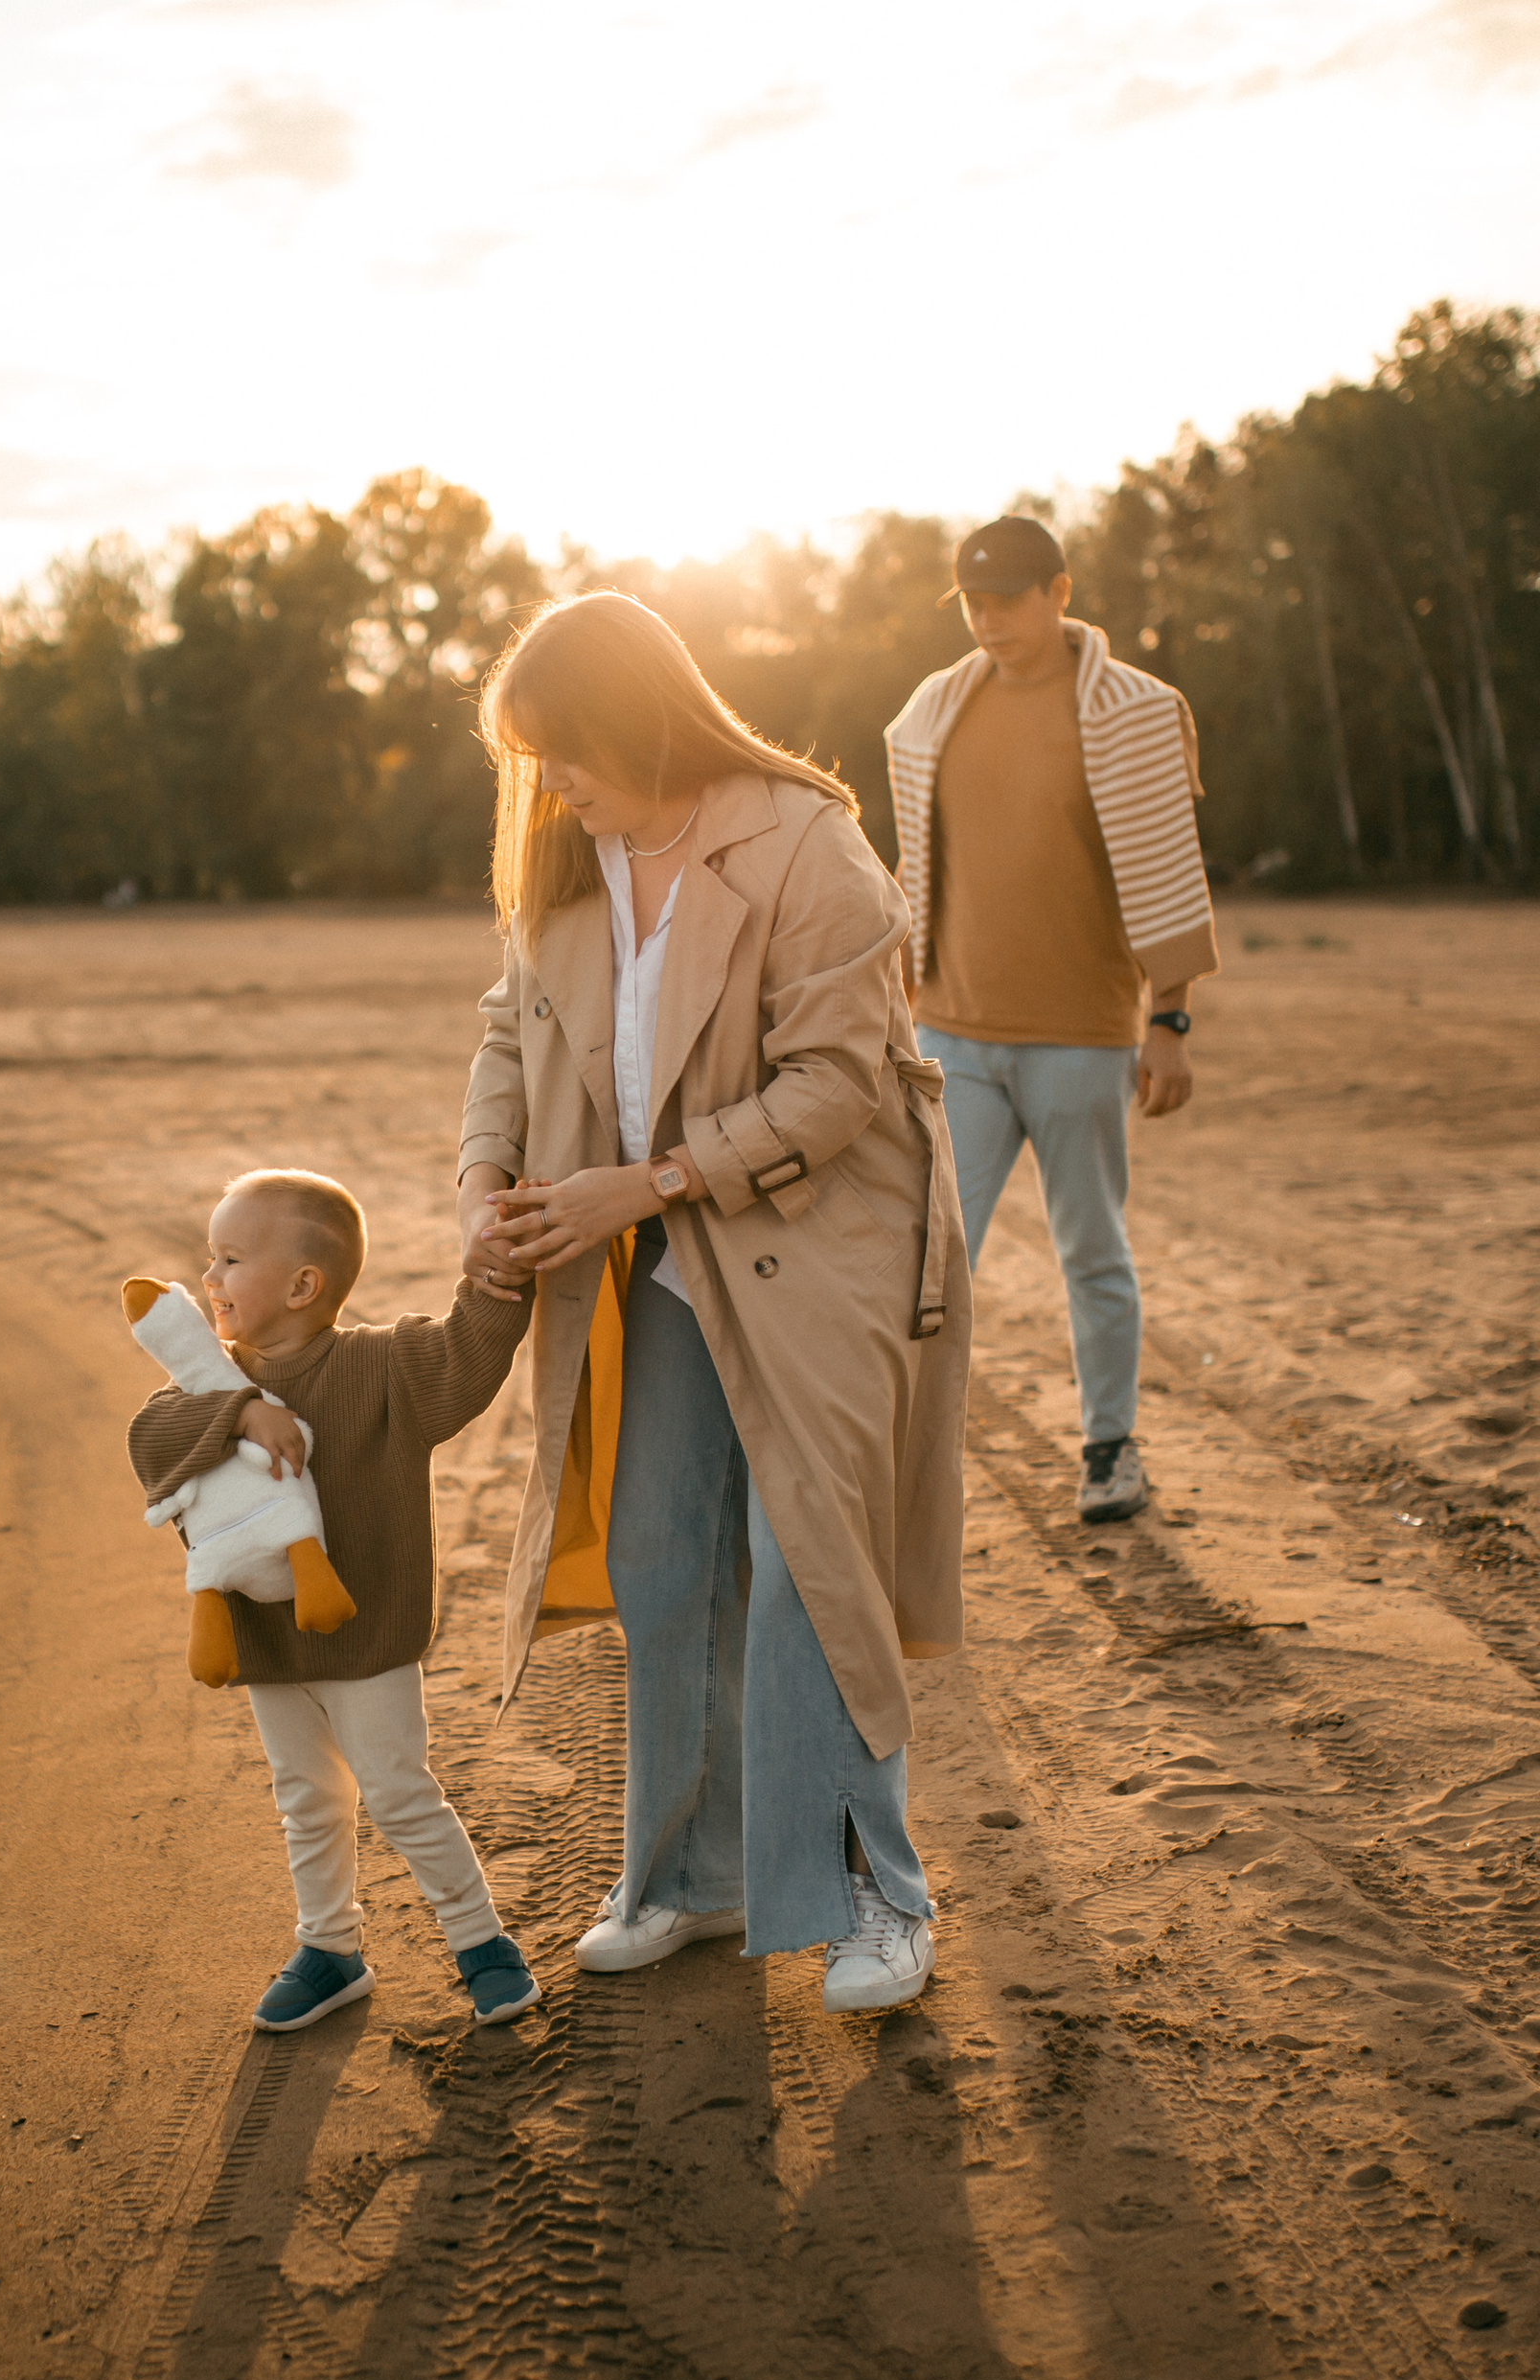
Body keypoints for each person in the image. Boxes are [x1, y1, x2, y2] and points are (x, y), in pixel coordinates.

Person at [459, 592, 970, 2016]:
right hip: (654, 1255)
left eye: (563, 748)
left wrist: (654, 1182)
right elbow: (513, 1027)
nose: (548, 781)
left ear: (636, 717)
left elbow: (840, 1082)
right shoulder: (567, 852)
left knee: (806, 1557)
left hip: (819, 1234)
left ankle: (881, 1896)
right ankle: (692, 1874)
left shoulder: (808, 844)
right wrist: (482, 1175)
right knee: (659, 1555)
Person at [126, 1168, 542, 2032]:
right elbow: (151, 1437)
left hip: (365, 1638)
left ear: (302, 1285)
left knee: (396, 1791)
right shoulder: (211, 1383)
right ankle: (330, 1948)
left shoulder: (384, 1367)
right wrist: (241, 1413)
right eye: (211, 1261)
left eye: (229, 1260)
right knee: (306, 1798)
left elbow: (471, 1348)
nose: (209, 1280)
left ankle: (480, 1942)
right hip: (269, 1644)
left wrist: (501, 1267)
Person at [885, 515, 1218, 1524]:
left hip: (1080, 1035)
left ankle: (1109, 1449)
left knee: (1092, 1251)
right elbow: (911, 863)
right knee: (933, 1256)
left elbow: (1165, 865)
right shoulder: (933, 709)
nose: (987, 619)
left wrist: (1170, 1020)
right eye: (971, 602)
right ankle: (903, 1461)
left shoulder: (1132, 712)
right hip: (954, 1035)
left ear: (1058, 592)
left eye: (1006, 599)